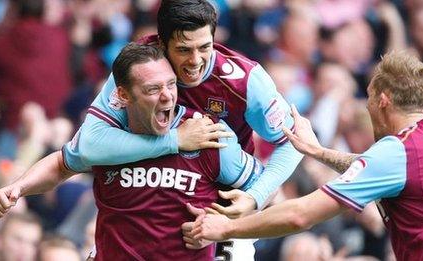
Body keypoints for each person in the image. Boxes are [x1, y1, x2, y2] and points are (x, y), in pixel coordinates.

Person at [0, 43, 264, 260]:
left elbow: (262, 188)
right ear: (123, 95)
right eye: (153, 89)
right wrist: (19, 187)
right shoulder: (104, 142)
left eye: (171, 85)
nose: (167, 96)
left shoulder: (208, 133)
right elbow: (62, 165)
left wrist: (224, 222)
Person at [191, 51, 423, 260]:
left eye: (368, 97)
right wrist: (318, 152)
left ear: (383, 101)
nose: (366, 106)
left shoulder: (398, 151)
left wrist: (226, 228)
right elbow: (378, 168)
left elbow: (300, 215)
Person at [73, 0, 302, 215]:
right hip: (145, 195)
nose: (195, 60)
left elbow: (294, 143)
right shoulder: (138, 66)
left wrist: (254, 197)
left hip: (222, 208)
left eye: (204, 47)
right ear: (161, 44)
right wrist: (176, 140)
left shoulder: (245, 80)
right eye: (184, 49)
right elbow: (89, 143)